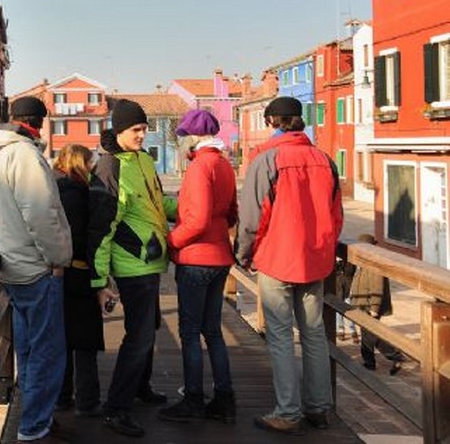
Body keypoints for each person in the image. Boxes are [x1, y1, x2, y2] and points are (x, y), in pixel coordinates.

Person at [236, 96, 343, 435]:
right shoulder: (325, 160)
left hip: (278, 258)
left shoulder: (267, 159)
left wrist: (244, 253)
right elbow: (336, 214)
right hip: (315, 259)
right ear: (300, 121)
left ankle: (288, 411)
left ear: (271, 122)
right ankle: (319, 407)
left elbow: (253, 217)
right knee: (313, 333)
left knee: (280, 336)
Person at [0, 95, 73, 443]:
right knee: (48, 352)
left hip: (11, 265)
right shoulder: (25, 155)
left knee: (28, 348)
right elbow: (42, 214)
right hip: (37, 268)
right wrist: (58, 258)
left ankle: (31, 417)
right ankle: (34, 425)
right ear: (40, 122)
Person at [92, 98, 177, 438]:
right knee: (139, 337)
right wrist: (100, 280)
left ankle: (141, 387)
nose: (142, 135)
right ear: (119, 131)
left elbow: (158, 202)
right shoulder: (110, 166)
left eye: (144, 129)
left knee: (148, 328)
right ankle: (116, 409)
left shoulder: (142, 159)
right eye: (136, 130)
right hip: (132, 265)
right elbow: (101, 228)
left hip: (151, 261)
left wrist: (191, 207)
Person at [159, 109, 237, 424]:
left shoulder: (199, 167)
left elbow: (198, 218)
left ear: (192, 137)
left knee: (190, 332)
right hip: (220, 256)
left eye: (182, 137)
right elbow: (231, 213)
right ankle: (224, 398)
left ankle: (193, 399)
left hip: (196, 259)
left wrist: (171, 240)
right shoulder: (224, 165)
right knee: (213, 332)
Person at [52, 144, 113, 418]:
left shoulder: (55, 190)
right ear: (80, 164)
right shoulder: (78, 195)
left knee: (63, 339)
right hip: (78, 272)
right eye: (90, 162)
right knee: (85, 341)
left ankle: (61, 397)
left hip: (59, 274)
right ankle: (87, 401)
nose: (92, 167)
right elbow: (82, 238)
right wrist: (99, 277)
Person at [349, 233, 406, 374]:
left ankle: (393, 356)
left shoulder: (374, 265)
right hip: (362, 303)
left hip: (370, 306)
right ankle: (370, 362)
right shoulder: (363, 263)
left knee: (371, 335)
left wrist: (374, 309)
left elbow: (377, 288)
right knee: (368, 334)